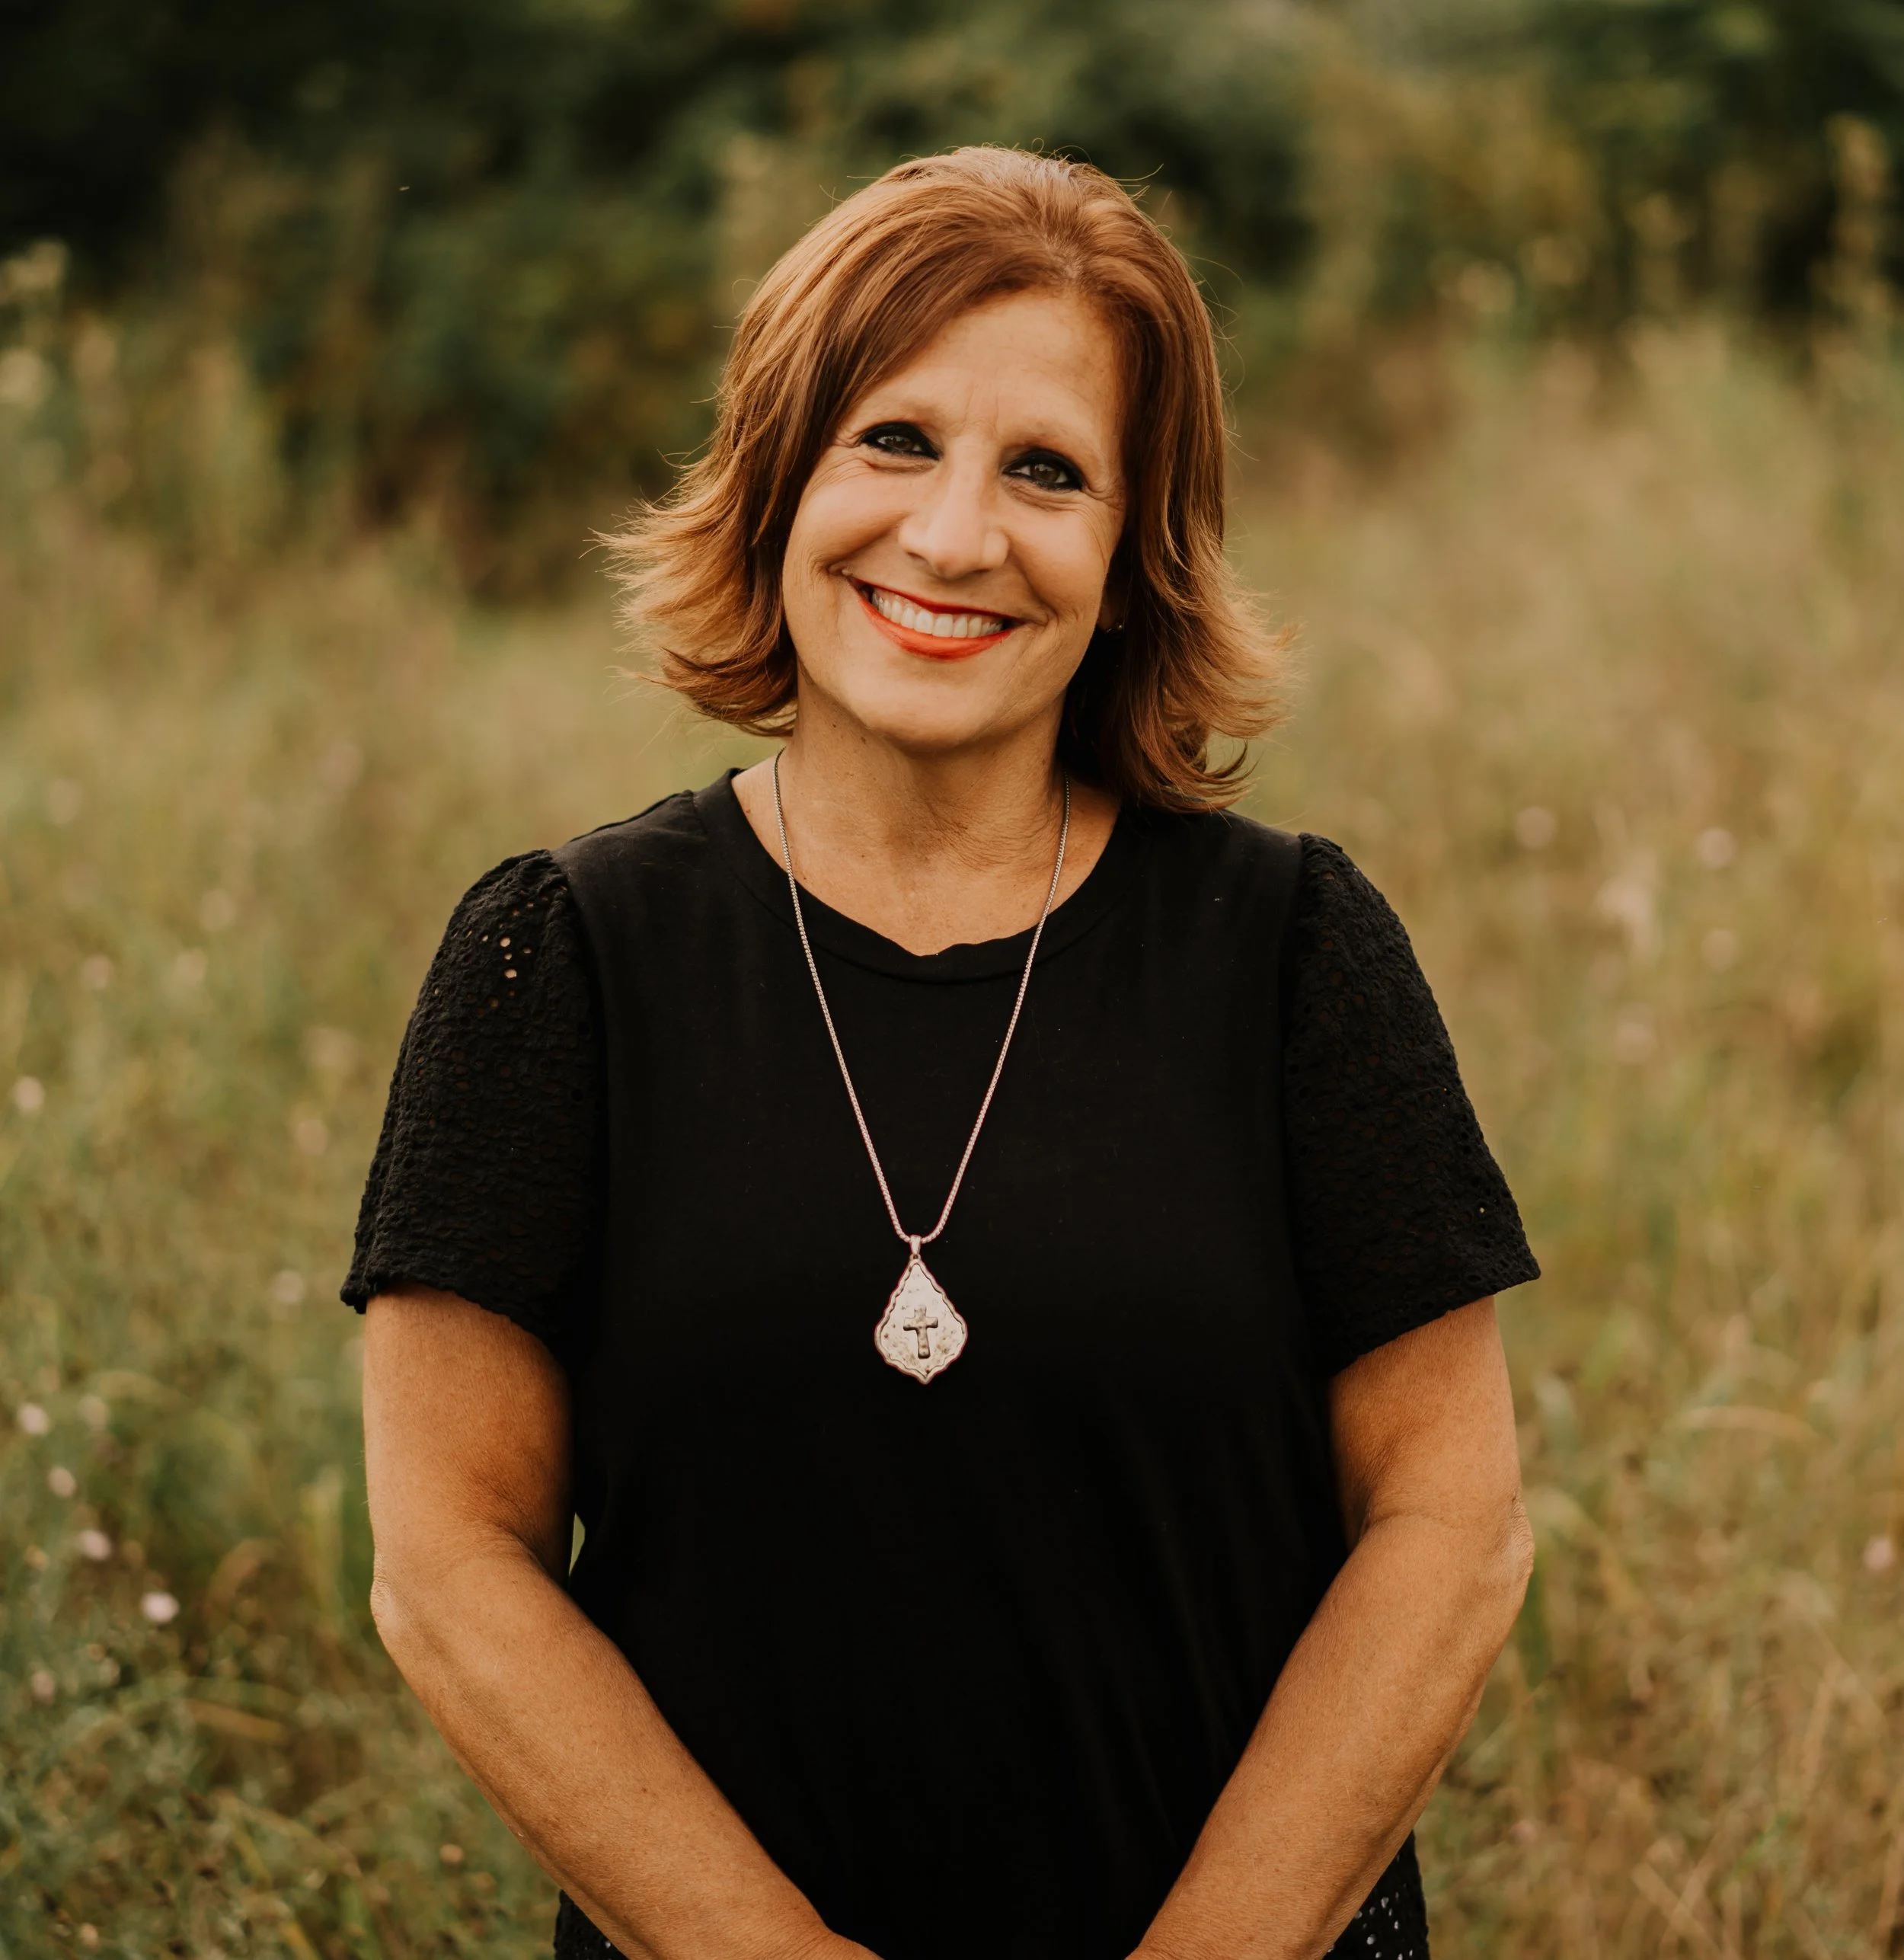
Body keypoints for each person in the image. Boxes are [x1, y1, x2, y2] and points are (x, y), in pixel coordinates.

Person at [345, 146, 1538, 1960]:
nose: (956, 535)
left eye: (1045, 471)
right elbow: (449, 1561)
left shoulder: (1292, 947)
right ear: (779, 474)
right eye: (892, 440)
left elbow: (1449, 1525)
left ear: (1133, 557)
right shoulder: (560, 957)